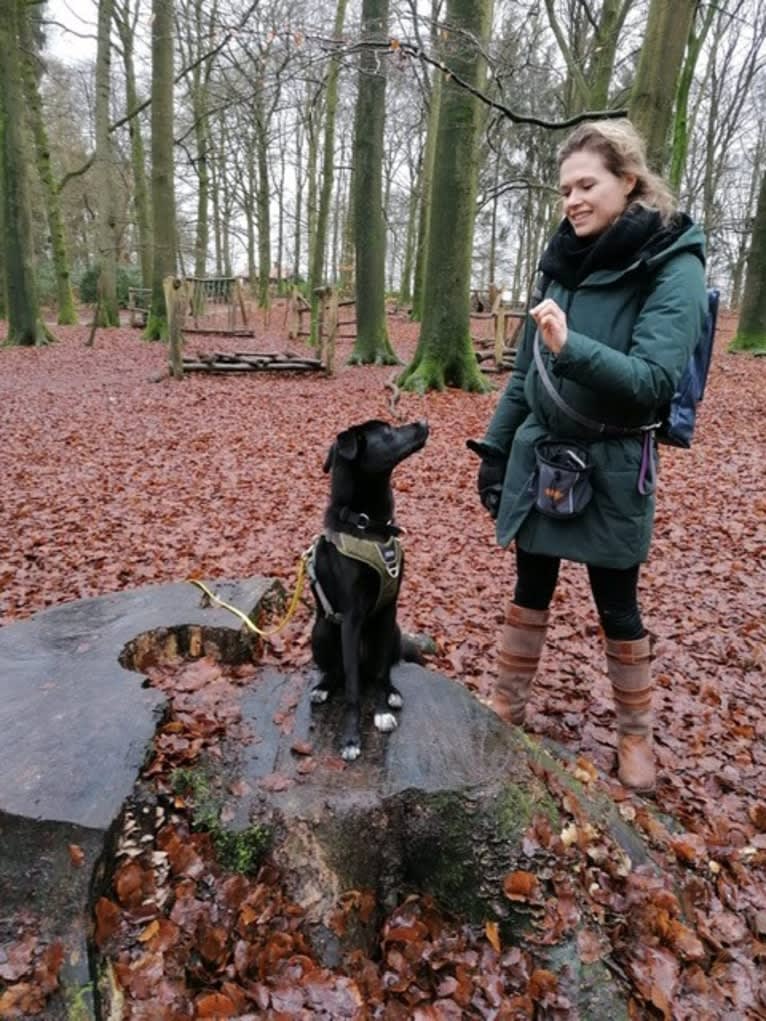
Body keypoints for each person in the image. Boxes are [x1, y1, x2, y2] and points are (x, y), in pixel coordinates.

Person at [469, 119, 707, 793]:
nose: (572, 200)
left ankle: (636, 735)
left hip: (612, 464)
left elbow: (653, 383)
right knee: (530, 585)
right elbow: (524, 375)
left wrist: (572, 345)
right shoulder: (562, 259)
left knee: (617, 604)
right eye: (564, 188)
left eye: (586, 184)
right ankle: (507, 703)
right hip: (541, 452)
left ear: (627, 182)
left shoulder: (673, 262)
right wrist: (493, 449)